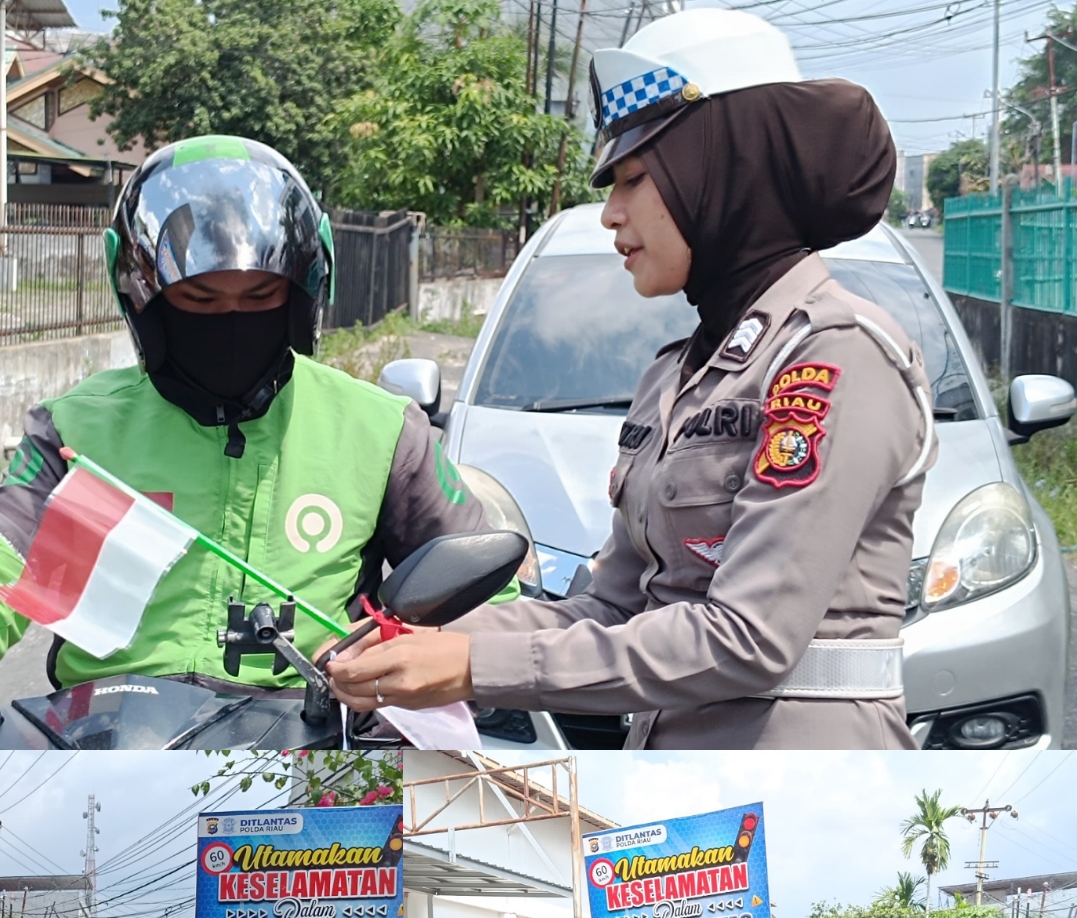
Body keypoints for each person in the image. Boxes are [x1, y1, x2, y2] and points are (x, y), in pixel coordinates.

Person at [326, 9, 936, 750]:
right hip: (672, 783)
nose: (610, 212)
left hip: (804, 787)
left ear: (722, 171)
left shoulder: (832, 357)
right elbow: (611, 605)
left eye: (635, 177)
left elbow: (748, 637)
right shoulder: (676, 375)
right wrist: (416, 643)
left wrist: (472, 662)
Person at [0, 135, 506, 749]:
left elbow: (485, 604)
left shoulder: (380, 430)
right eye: (200, 302)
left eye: (259, 297)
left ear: (301, 296)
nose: (230, 320)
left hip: (316, 747)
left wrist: (413, 676)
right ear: (143, 297)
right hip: (99, 744)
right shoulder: (79, 429)